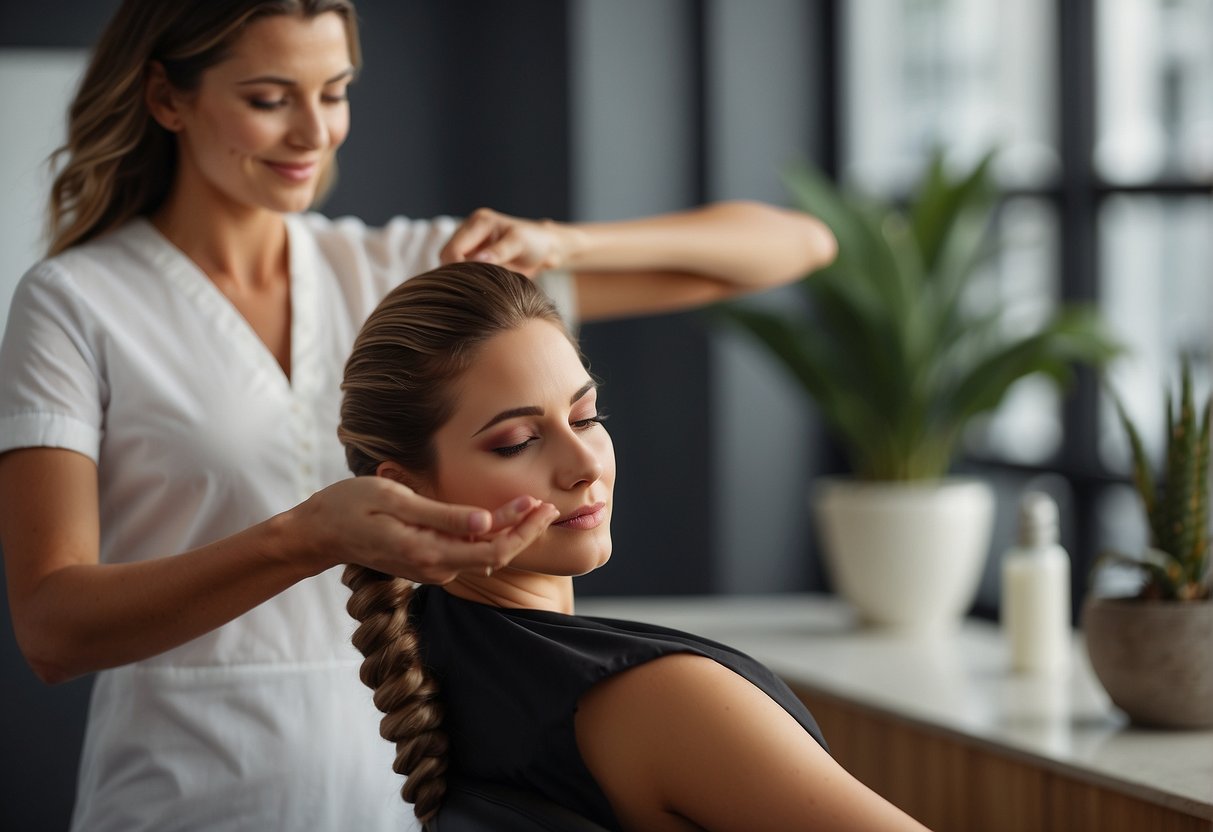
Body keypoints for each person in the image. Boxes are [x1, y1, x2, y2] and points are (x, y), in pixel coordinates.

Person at [0, 1, 837, 830]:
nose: (313, 132)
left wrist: (565, 244)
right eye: (268, 98)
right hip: (188, 792)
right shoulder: (76, 302)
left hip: (409, 785)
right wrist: (304, 537)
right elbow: (52, 628)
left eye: (333, 92)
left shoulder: (404, 272)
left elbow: (796, 247)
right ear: (166, 98)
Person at [338, 262, 929, 832]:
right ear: (406, 493)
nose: (584, 464)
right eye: (517, 442)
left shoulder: (435, 660)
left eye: (586, 416)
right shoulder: (663, 701)